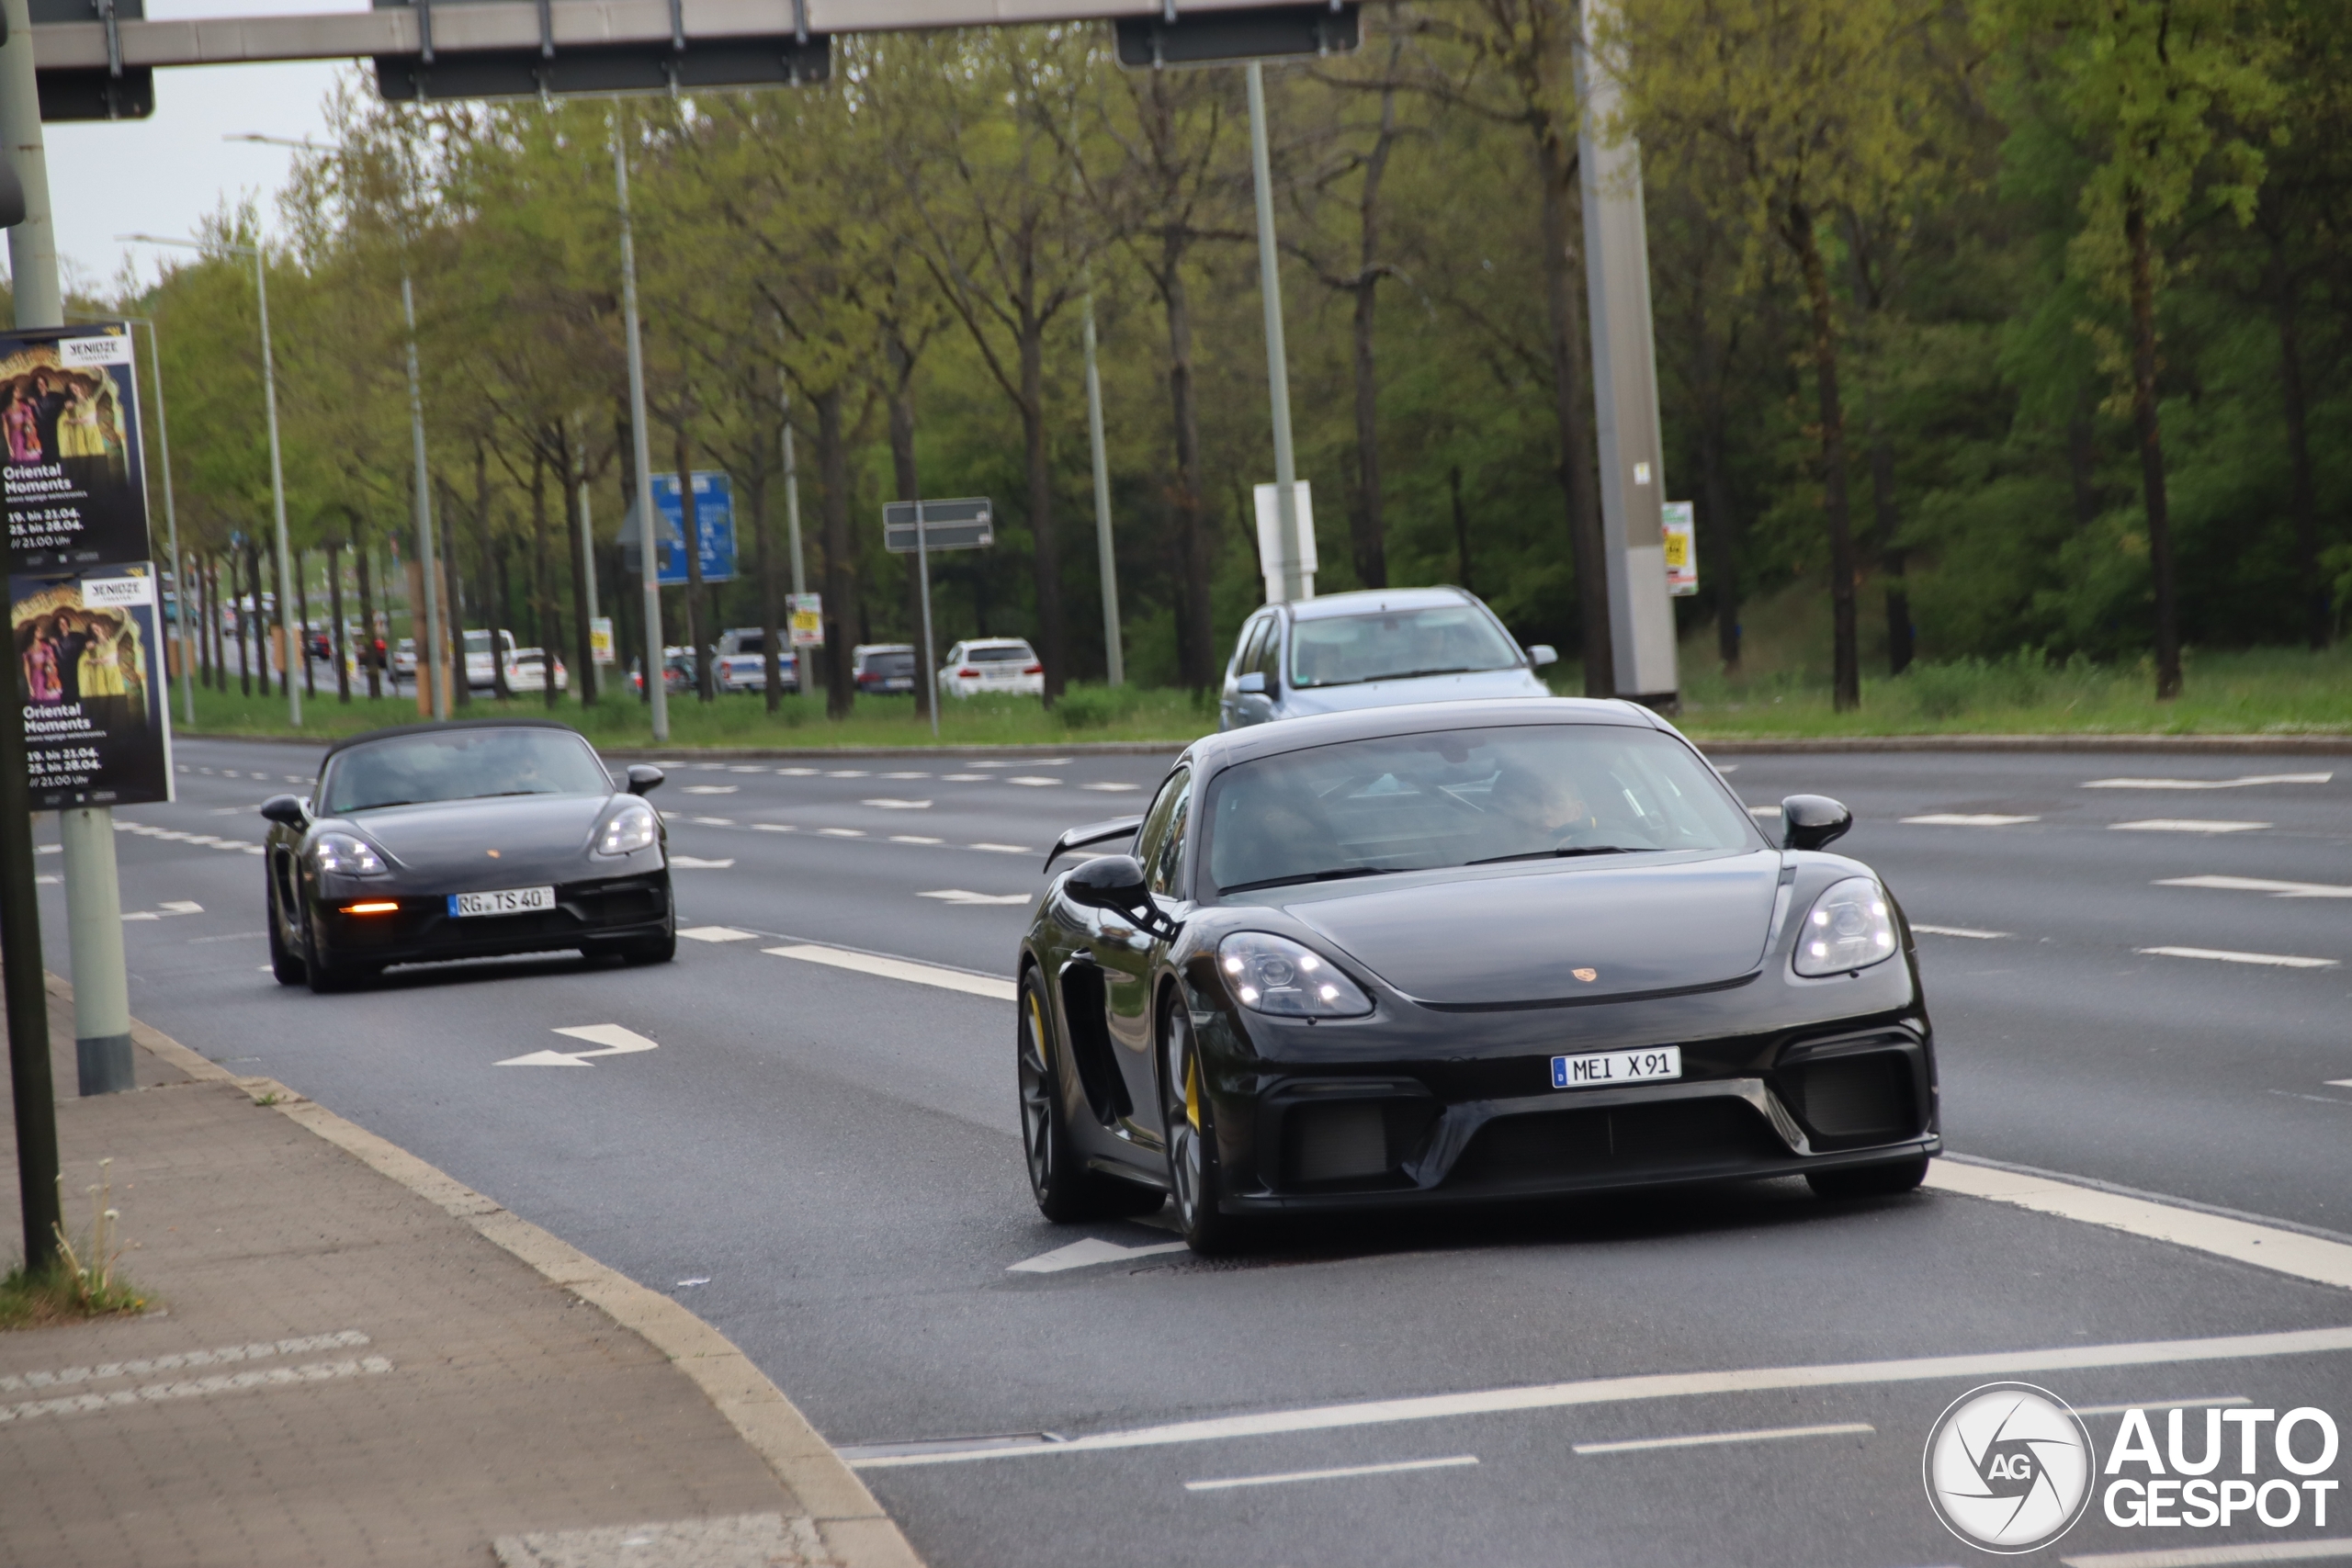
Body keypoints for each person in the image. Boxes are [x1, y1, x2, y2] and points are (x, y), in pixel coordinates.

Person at [57, 374, 105, 459]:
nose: (75, 389)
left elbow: (103, 385)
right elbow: (63, 419)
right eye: (72, 389)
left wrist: (101, 370)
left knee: (96, 455)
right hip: (81, 433)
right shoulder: (72, 405)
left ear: (79, 387)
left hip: (92, 431)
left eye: (75, 386)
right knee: (84, 457)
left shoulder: (91, 399)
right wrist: (65, 408)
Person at [3, 378, 41, 462]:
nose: (19, 392)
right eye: (16, 390)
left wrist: (29, 422)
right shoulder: (6, 411)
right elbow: (5, 429)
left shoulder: (25, 406)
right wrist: (8, 446)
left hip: (27, 435)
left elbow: (32, 421)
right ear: (11, 393)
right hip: (15, 438)